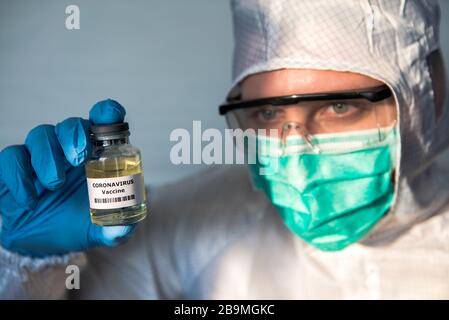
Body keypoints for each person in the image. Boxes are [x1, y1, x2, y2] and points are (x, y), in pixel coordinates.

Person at [1, 0, 448, 299]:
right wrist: (28, 263)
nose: (295, 153)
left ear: (428, 94)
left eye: (337, 106)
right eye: (267, 116)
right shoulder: (202, 220)